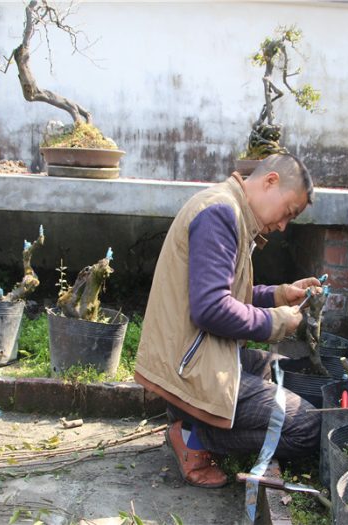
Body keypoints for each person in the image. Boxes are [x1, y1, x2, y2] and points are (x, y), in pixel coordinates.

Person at [134, 153, 322, 488]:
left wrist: (280, 295)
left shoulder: (228, 210)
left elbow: (229, 295)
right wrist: (276, 321)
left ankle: (193, 423)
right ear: (271, 181)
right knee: (306, 424)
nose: (282, 226)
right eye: (289, 213)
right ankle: (195, 437)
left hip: (198, 353)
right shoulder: (220, 213)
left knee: (289, 374)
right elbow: (212, 308)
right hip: (190, 367)